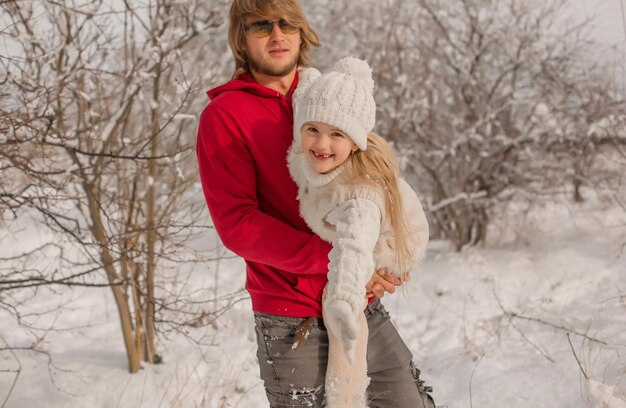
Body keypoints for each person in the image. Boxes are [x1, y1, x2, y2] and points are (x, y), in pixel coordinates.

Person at [196, 0, 434, 406]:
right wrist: (337, 260)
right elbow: (238, 223)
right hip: (290, 314)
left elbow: (370, 182)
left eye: (287, 23)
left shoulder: (326, 95)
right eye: (261, 25)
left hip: (358, 301)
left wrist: (383, 257)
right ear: (241, 37)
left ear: (301, 31)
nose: (277, 34)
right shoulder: (226, 115)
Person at [288, 56, 432, 407]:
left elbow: (353, 249)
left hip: (390, 242)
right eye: (313, 129)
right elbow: (305, 99)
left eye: (337, 134)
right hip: (360, 228)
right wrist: (305, 76)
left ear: (355, 142)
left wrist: (343, 301)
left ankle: (345, 398)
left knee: (342, 315)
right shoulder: (308, 146)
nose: (321, 143)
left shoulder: (358, 196)